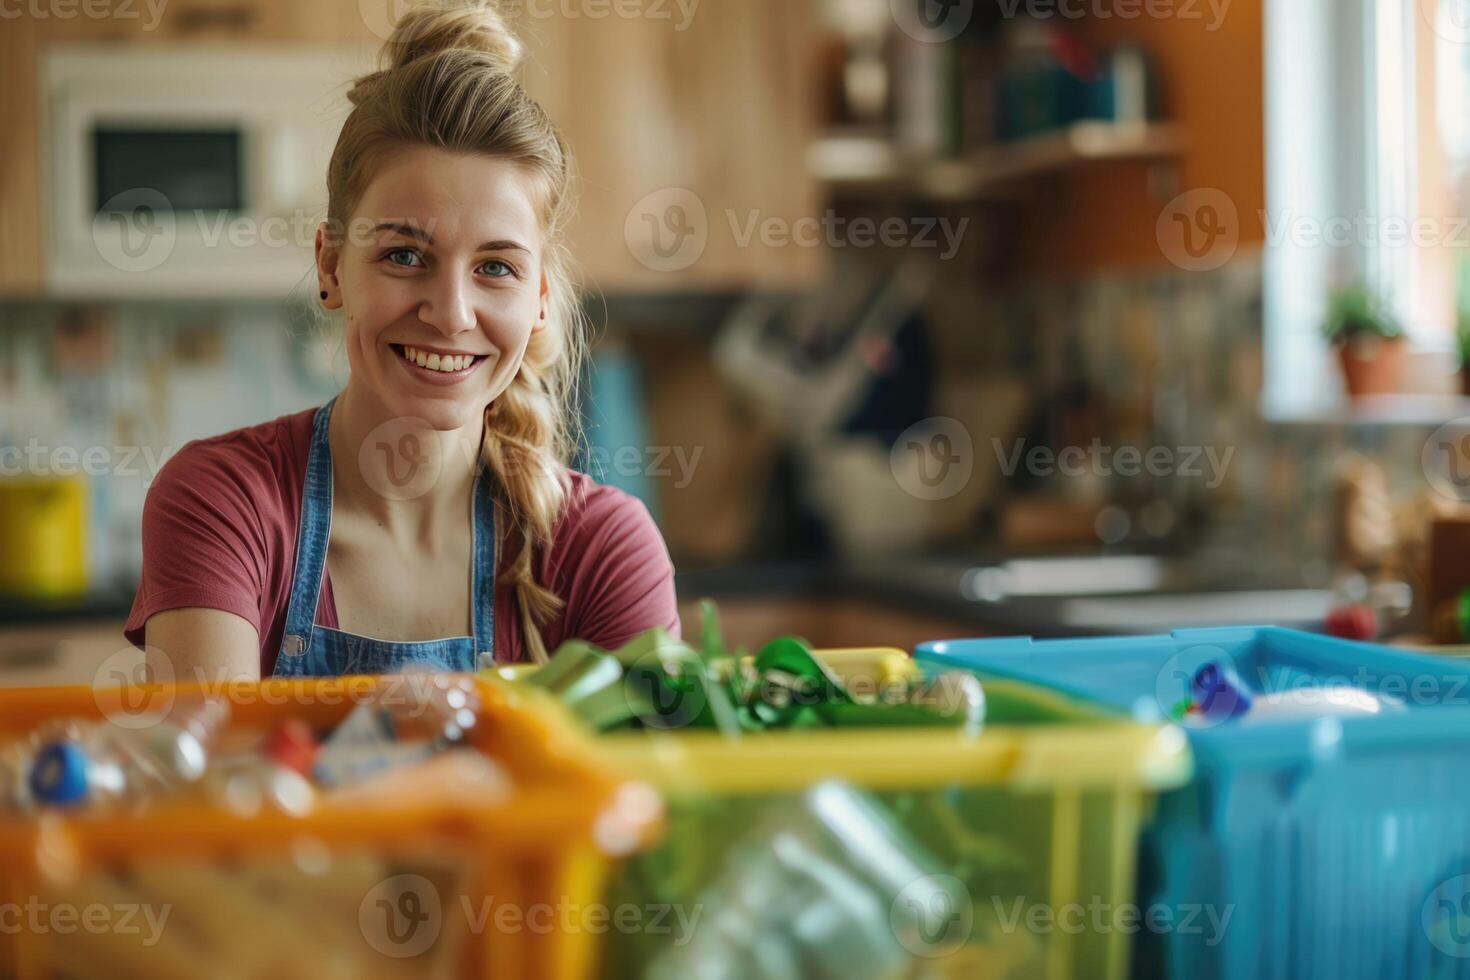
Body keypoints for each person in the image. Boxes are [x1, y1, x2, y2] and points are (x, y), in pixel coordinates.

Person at [123, 0, 680, 679]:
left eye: (495, 268)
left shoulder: (602, 549)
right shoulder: (224, 502)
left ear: (537, 300)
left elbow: (639, 785)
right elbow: (210, 775)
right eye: (405, 257)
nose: (450, 314)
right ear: (332, 267)